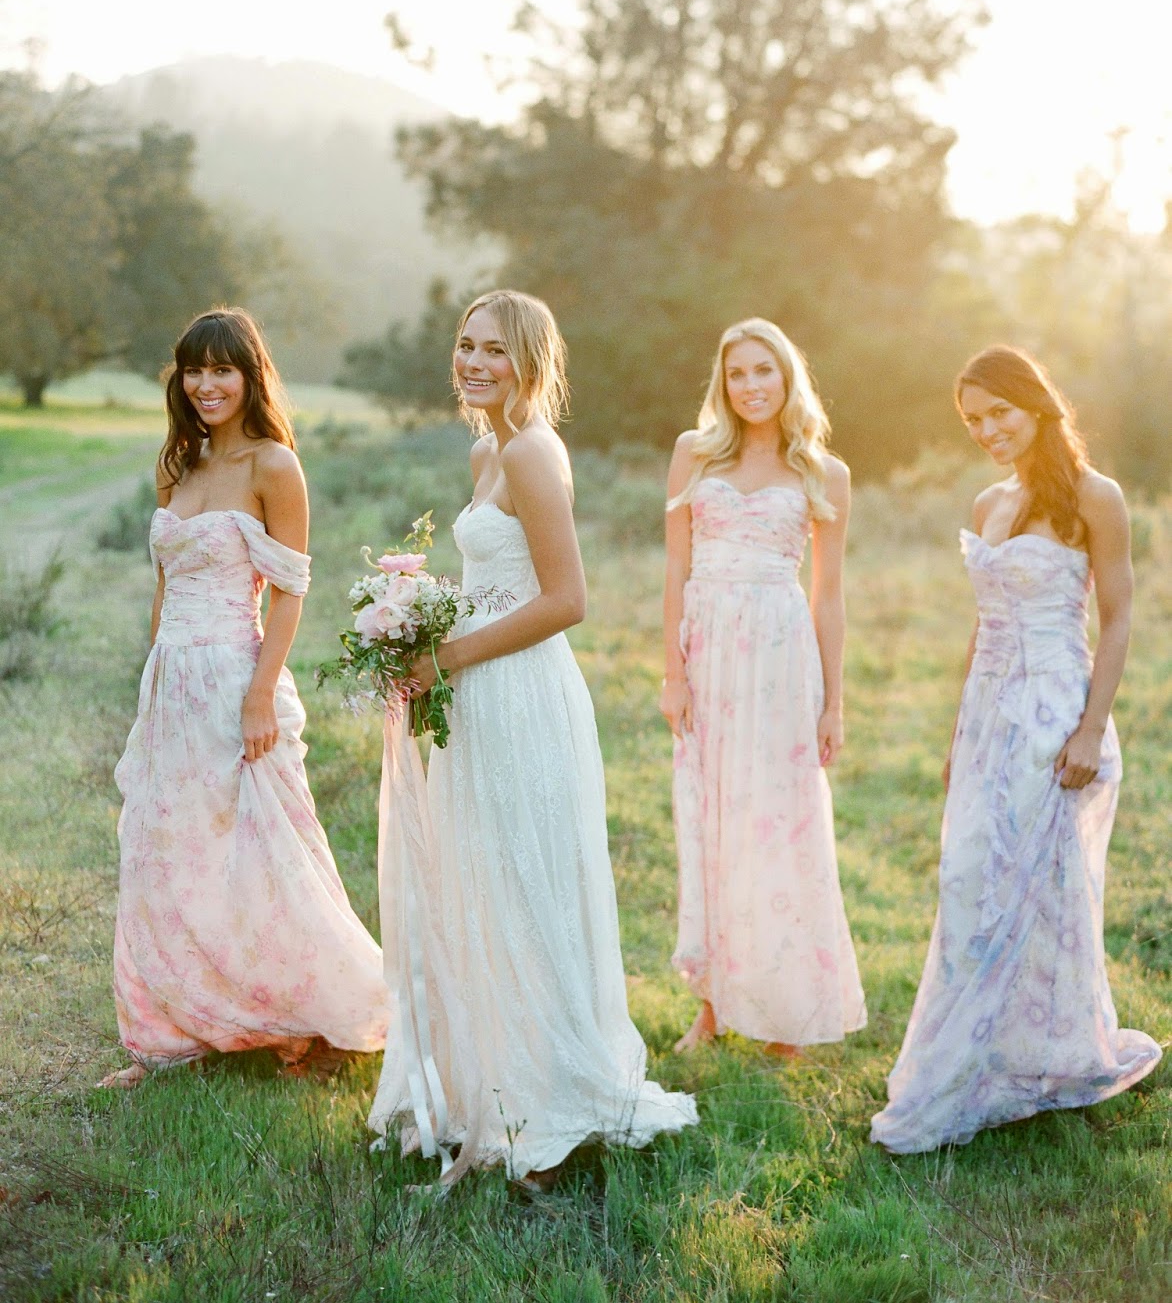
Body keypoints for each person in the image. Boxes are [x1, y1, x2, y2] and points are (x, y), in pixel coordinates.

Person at [368, 289, 697, 1184]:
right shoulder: (488, 451)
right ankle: (492, 1084)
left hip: (520, 695)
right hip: (479, 693)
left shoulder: (533, 453)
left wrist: (451, 655)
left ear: (531, 362)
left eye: (495, 351)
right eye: (466, 346)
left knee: (525, 883)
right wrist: (416, 621)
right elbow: (498, 578)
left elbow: (566, 600)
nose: (474, 363)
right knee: (484, 884)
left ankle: (546, 1102)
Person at [871, 345, 1162, 1152]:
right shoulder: (986, 503)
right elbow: (984, 620)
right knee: (970, 876)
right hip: (990, 711)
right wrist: (957, 735)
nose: (988, 430)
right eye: (973, 420)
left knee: (1045, 890)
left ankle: (1044, 1054)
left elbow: (1119, 618)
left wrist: (1091, 728)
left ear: (1036, 403)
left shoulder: (1095, 499)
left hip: (1056, 706)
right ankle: (978, 1057)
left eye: (999, 411)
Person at [101, 308, 386, 1088]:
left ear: (249, 377)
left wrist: (260, 695)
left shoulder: (273, 466)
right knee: (166, 852)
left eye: (222, 370)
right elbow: (164, 586)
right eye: (193, 370)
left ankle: (294, 1015)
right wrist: (152, 689)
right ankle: (173, 1033)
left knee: (258, 853)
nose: (205, 385)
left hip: (236, 676)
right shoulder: (177, 464)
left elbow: (290, 593)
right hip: (172, 683)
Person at [661, 318, 866, 1057]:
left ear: (788, 379)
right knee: (712, 819)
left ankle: (790, 1009)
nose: (751, 386)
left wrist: (832, 701)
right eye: (738, 373)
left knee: (783, 821)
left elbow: (829, 596)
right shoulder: (694, 455)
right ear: (723, 383)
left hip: (782, 659)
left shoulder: (823, 472)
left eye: (764, 372)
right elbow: (675, 573)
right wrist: (671, 673)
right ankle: (714, 1006)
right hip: (710, 651)